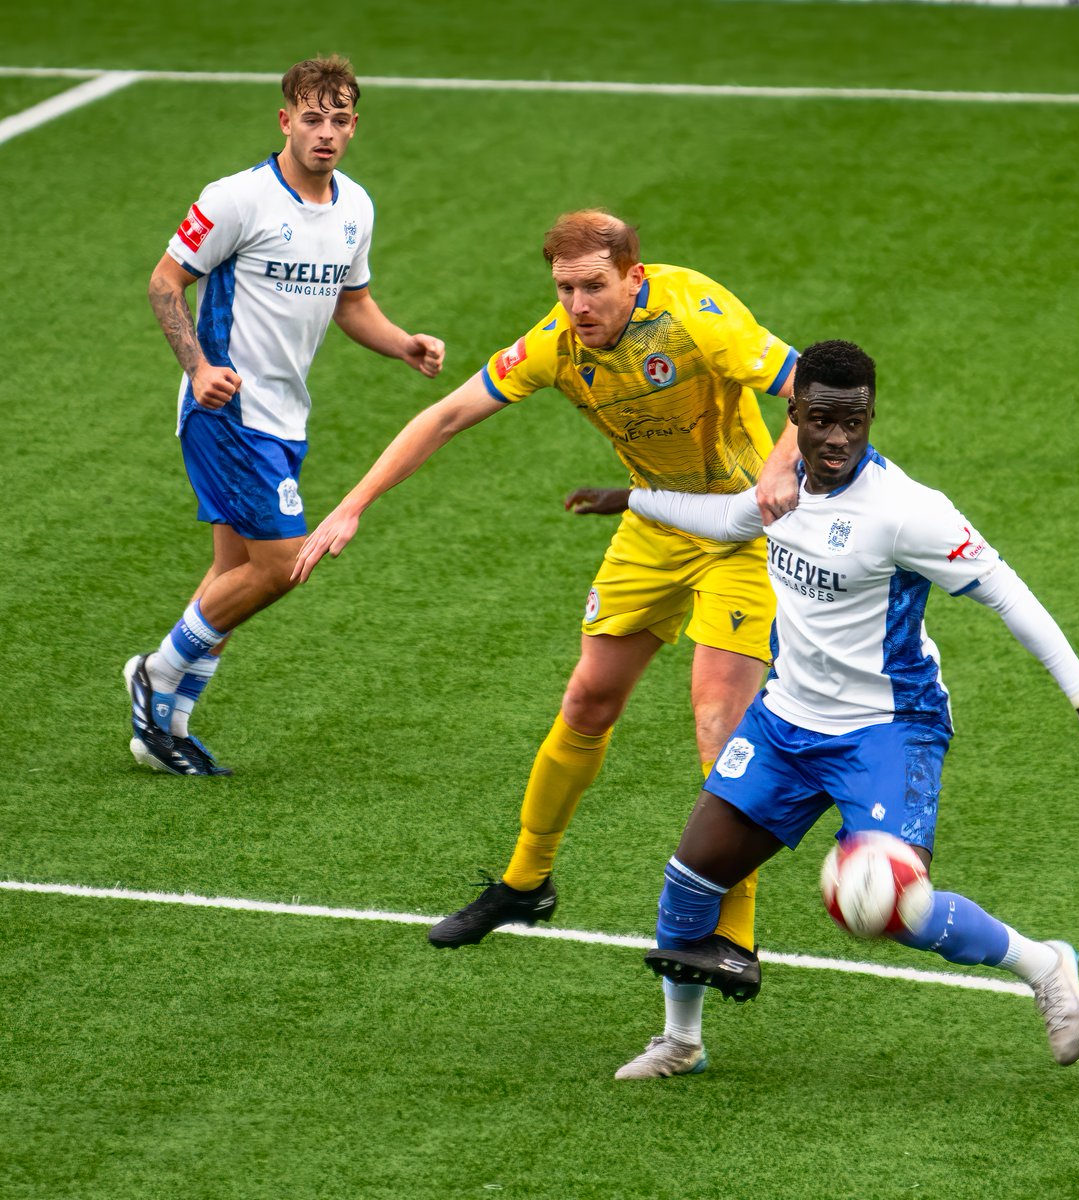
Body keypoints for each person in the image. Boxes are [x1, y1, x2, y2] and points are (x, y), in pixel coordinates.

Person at [612, 338, 1079, 1079]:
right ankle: (682, 1041)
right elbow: (729, 520)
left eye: (855, 423)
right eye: (822, 420)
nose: (838, 438)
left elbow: (1004, 590)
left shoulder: (906, 512)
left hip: (888, 730)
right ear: (795, 415)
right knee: (690, 879)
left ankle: (1043, 964)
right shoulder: (782, 489)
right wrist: (628, 499)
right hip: (785, 720)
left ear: (870, 418)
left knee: (894, 906)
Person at [291, 209, 802, 968]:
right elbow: (447, 416)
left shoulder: (696, 314)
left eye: (593, 287)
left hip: (743, 538)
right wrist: (353, 503)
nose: (577, 306)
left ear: (634, 276)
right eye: (565, 289)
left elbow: (809, 386)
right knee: (588, 701)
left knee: (718, 723)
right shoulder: (556, 344)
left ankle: (734, 935)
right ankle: (525, 882)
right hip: (656, 525)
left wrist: (779, 470)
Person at [124, 55, 445, 775]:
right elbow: (166, 281)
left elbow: (352, 302)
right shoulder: (237, 198)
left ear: (354, 127)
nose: (325, 132)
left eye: (339, 120)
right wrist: (198, 368)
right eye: (312, 118)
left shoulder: (356, 207)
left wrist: (403, 344)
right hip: (227, 409)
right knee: (281, 564)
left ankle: (164, 726)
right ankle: (155, 673)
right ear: (285, 120)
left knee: (233, 573)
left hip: (285, 416)